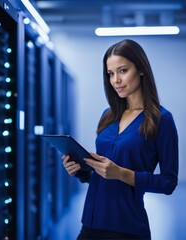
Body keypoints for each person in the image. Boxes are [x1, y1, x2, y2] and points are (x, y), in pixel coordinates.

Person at [62, 39, 179, 239]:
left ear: (141, 69)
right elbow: (103, 174)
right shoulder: (108, 116)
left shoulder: (161, 120)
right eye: (110, 74)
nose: (116, 80)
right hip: (90, 224)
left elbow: (168, 182)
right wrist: (82, 170)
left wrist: (122, 174)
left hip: (127, 228)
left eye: (123, 71)